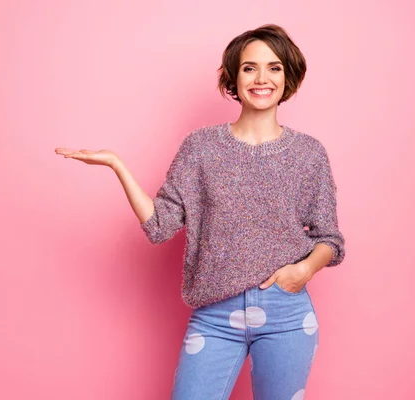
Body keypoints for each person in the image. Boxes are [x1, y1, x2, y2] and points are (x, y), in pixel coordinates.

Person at [55, 23, 345, 400]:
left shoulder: (309, 154)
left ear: (288, 76)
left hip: (286, 314)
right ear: (233, 77)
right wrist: (116, 165)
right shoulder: (201, 148)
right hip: (215, 315)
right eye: (249, 67)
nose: (262, 78)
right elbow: (160, 225)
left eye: (274, 67)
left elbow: (329, 239)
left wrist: (303, 270)